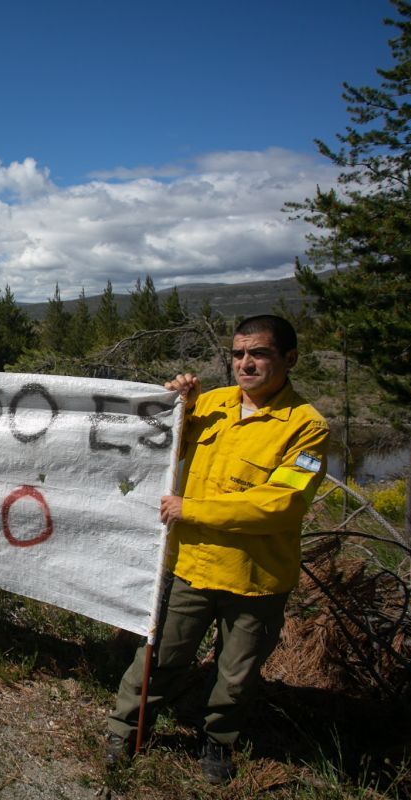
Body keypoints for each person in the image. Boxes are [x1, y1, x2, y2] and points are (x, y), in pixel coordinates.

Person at [105, 315, 330, 785]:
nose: (245, 363)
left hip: (257, 580)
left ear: (289, 359)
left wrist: (194, 509)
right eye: (238, 354)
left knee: (236, 676)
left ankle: (218, 743)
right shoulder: (213, 404)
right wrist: (178, 408)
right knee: (159, 659)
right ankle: (125, 731)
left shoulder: (307, 427)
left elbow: (282, 504)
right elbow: (166, 448)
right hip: (190, 567)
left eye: (259, 353)